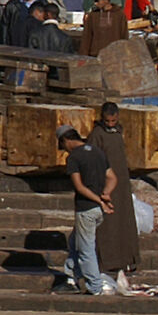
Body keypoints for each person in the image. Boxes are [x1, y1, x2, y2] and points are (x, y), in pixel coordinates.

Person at [62, 125, 116, 295]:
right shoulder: (98, 152)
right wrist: (106, 194)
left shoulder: (74, 157)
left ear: (66, 140)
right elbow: (112, 178)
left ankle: (95, 286)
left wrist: (99, 200)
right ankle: (71, 277)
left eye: (62, 145)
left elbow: (79, 187)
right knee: (74, 241)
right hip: (99, 210)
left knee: (86, 249)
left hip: (87, 208)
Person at [92, 101, 140, 278]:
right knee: (108, 224)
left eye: (113, 121)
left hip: (122, 185)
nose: (111, 124)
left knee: (125, 221)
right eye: (107, 121)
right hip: (106, 185)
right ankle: (108, 261)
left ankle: (127, 260)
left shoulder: (119, 132)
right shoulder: (97, 135)